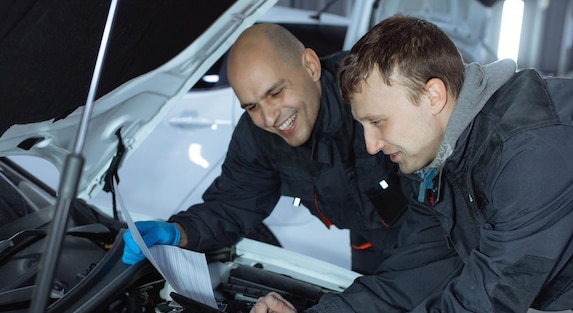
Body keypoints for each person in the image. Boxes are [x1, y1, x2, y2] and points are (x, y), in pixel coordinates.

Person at [225, 15, 573, 313]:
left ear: (433, 96)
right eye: (363, 125)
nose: (371, 145)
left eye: (378, 122)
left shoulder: (532, 156)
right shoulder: (451, 160)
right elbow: (418, 274)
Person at [121, 23, 408, 275]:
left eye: (275, 93)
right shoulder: (256, 136)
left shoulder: (373, 93)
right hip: (368, 241)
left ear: (310, 66)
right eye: (252, 106)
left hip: (433, 232)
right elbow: (232, 205)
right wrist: (177, 233)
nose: (270, 118)